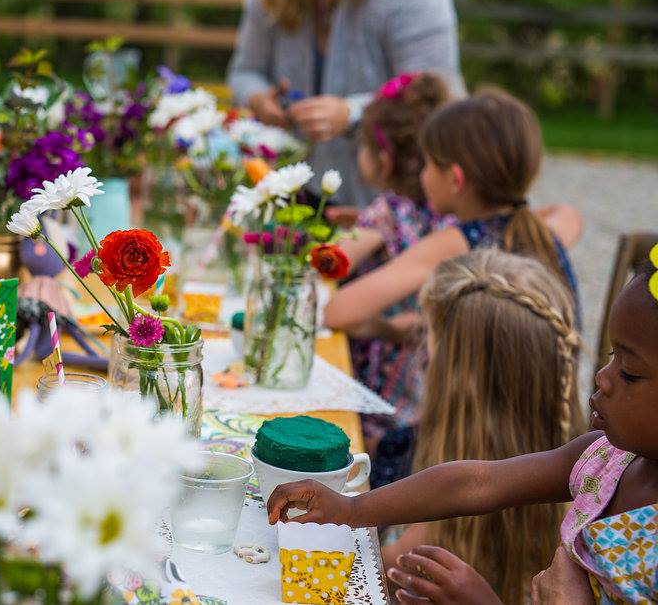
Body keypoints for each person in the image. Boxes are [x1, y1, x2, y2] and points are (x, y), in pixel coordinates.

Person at [267, 251, 658, 605]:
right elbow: (476, 483)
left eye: (630, 372)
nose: (603, 379)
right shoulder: (604, 460)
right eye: (611, 356)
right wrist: (351, 509)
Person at [379, 250, 583, 602]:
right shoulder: (591, 479)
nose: (423, 354)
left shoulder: (432, 531)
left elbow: (350, 575)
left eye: (429, 337)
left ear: (458, 381)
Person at [227, 0, 465, 208]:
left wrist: (351, 113)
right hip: (293, 194)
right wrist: (258, 99)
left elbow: (436, 93)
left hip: (394, 201)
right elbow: (243, 72)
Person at [324, 88, 582, 340]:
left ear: (455, 179)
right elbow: (569, 214)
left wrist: (389, 329)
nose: (422, 174)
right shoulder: (541, 230)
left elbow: (337, 312)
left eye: (428, 164)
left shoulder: (456, 241)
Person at [336, 71, 454, 460]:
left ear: (383, 159)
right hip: (431, 391)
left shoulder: (388, 210)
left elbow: (331, 262)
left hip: (381, 387)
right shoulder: (452, 217)